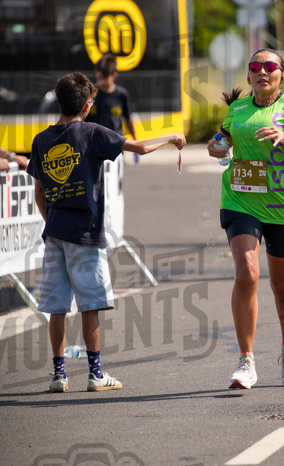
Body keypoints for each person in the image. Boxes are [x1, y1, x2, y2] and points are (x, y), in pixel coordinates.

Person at [27, 71, 185, 394]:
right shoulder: (91, 133)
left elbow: (38, 195)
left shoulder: (40, 140)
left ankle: (59, 376)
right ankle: (95, 374)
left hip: (54, 233)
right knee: (90, 304)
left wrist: (52, 221)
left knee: (57, 306)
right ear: (87, 106)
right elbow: (139, 146)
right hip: (85, 233)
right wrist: (170, 137)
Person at [207, 49, 284, 390]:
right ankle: (246, 361)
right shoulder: (237, 110)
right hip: (240, 199)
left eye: (270, 67)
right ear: (248, 76)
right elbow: (221, 140)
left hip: (281, 206)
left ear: (282, 74)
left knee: (283, 287)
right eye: (255, 67)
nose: (262, 72)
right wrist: (217, 146)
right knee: (247, 272)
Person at [86, 53, 137, 139]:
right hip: (93, 143)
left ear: (114, 75)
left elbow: (128, 119)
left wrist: (136, 141)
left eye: (104, 78)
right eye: (99, 77)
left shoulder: (122, 94)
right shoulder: (90, 93)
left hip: (116, 144)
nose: (101, 81)